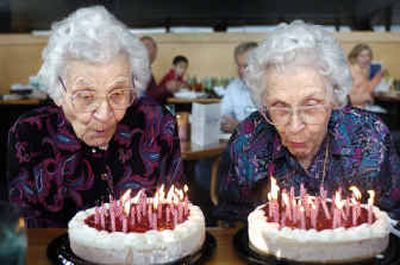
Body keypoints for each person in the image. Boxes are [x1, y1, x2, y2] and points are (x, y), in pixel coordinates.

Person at [7, 6, 184, 228]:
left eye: (118, 94)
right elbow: (24, 235)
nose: (104, 114)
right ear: (58, 90)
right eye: (86, 96)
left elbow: (175, 220)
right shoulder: (29, 135)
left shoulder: (158, 125)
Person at [216, 21, 400, 222]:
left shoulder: (370, 137)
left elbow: (393, 220)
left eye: (311, 105)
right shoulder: (247, 140)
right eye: (280, 106)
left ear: (334, 96)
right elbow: (230, 222)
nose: (295, 127)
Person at [221, 42, 258, 133]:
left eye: (246, 66)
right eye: (238, 66)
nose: (241, 71)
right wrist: (224, 122)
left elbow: (271, 128)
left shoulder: (270, 88)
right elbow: (223, 114)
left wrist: (241, 127)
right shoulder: (233, 87)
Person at [140, 36, 179, 104]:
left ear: (156, 50)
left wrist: (169, 90)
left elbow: (155, 94)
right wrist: (166, 88)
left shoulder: (146, 68)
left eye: (147, 47)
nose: (144, 50)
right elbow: (143, 98)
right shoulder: (136, 69)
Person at [347, 43, 385, 108]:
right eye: (362, 56)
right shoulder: (350, 72)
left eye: (368, 56)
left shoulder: (364, 70)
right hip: (352, 111)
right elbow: (345, 99)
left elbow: (367, 88)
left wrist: (378, 76)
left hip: (363, 108)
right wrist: (365, 97)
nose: (366, 59)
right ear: (354, 57)